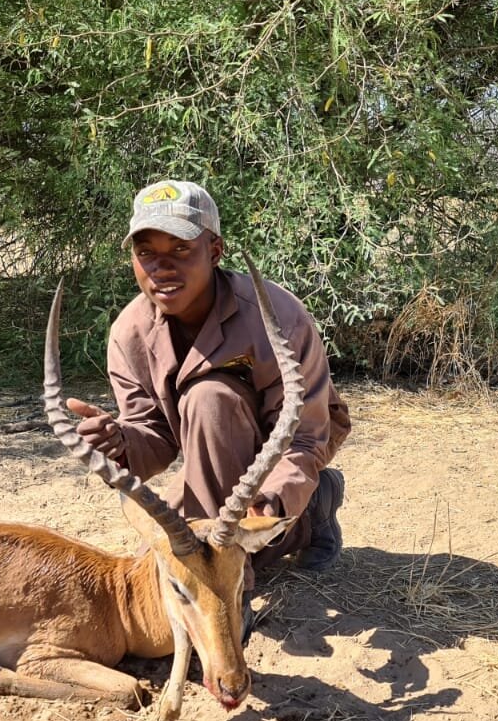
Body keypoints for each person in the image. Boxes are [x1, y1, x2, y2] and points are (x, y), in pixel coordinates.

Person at [67, 179, 350, 621]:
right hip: (209, 453)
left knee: (209, 399)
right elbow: (156, 439)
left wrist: (274, 498)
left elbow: (306, 436)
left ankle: (298, 519)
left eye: (180, 250)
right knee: (157, 549)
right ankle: (306, 512)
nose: (161, 267)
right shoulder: (129, 332)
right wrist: (119, 442)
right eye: (146, 253)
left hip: (293, 441)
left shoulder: (277, 316)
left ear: (214, 251)